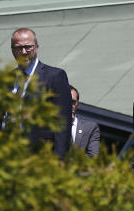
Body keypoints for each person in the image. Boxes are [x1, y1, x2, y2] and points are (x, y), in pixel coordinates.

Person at [6, 28, 71, 158]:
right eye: (18, 48)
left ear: (36, 47)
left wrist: (59, 160)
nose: (23, 52)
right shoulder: (7, 78)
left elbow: (62, 121)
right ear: (12, 50)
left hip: (40, 155)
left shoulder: (54, 76)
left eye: (28, 47)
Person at [70, 85, 100, 158]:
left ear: (77, 104)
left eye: (73, 102)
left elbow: (93, 156)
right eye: (66, 101)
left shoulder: (90, 128)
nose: (70, 105)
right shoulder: (50, 124)